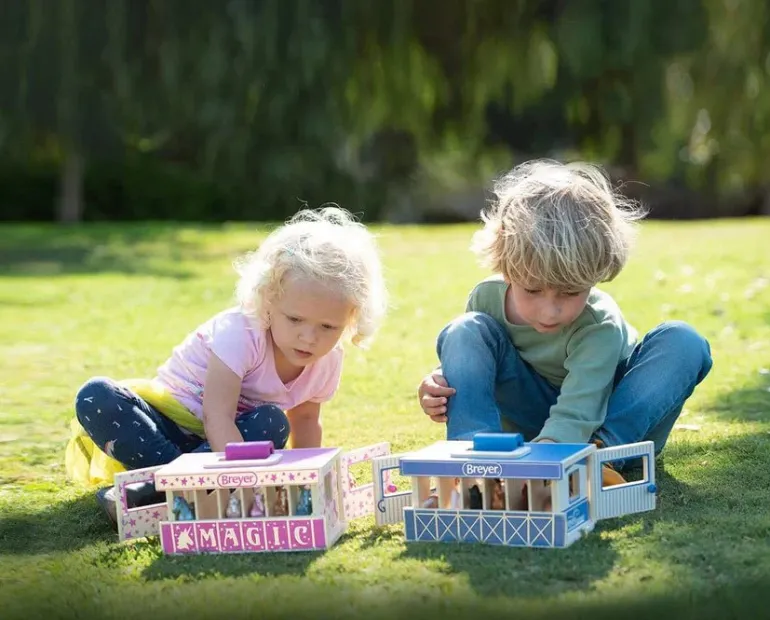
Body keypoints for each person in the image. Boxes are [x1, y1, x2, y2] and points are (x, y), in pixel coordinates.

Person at [71, 205, 388, 526]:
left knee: (272, 422)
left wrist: (309, 483)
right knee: (95, 395)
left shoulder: (328, 361)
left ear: (352, 318)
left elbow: (305, 421)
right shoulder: (241, 332)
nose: (309, 338)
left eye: (328, 327)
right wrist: (241, 485)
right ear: (268, 300)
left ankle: (152, 492)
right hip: (167, 426)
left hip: (226, 444)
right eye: (295, 319)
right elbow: (216, 415)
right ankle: (177, 490)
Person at [417, 159, 713, 494]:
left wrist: (547, 461)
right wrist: (440, 382)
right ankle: (473, 463)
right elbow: (472, 362)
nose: (549, 312)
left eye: (571, 292)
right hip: (531, 422)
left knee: (684, 341)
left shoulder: (598, 324)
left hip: (616, 422)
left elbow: (579, 410)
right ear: (507, 269)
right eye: (532, 290)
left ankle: (598, 458)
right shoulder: (486, 299)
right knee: (464, 329)